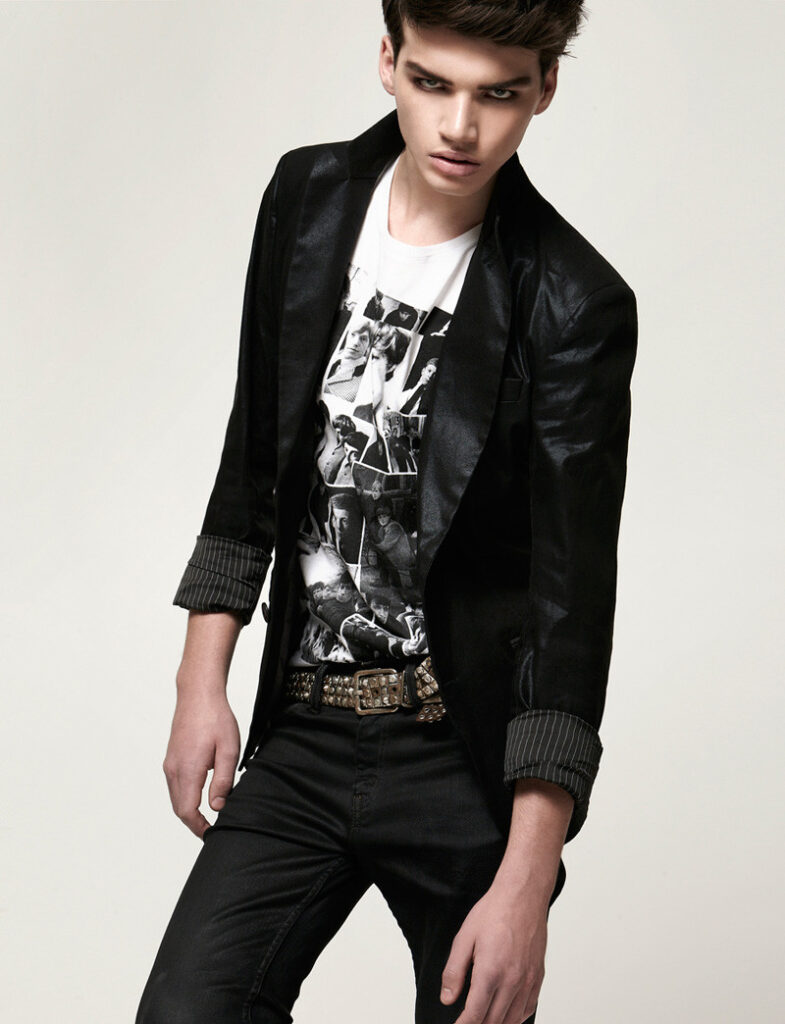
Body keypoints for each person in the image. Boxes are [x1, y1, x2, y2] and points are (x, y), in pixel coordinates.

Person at [136, 2, 638, 1022]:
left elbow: (567, 612)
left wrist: (524, 883)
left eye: (497, 94)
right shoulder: (308, 200)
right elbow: (251, 462)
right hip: (306, 728)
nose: (460, 126)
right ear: (386, 60)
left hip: (458, 757)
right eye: (431, 83)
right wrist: (201, 684)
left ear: (544, 88)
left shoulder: (572, 301)